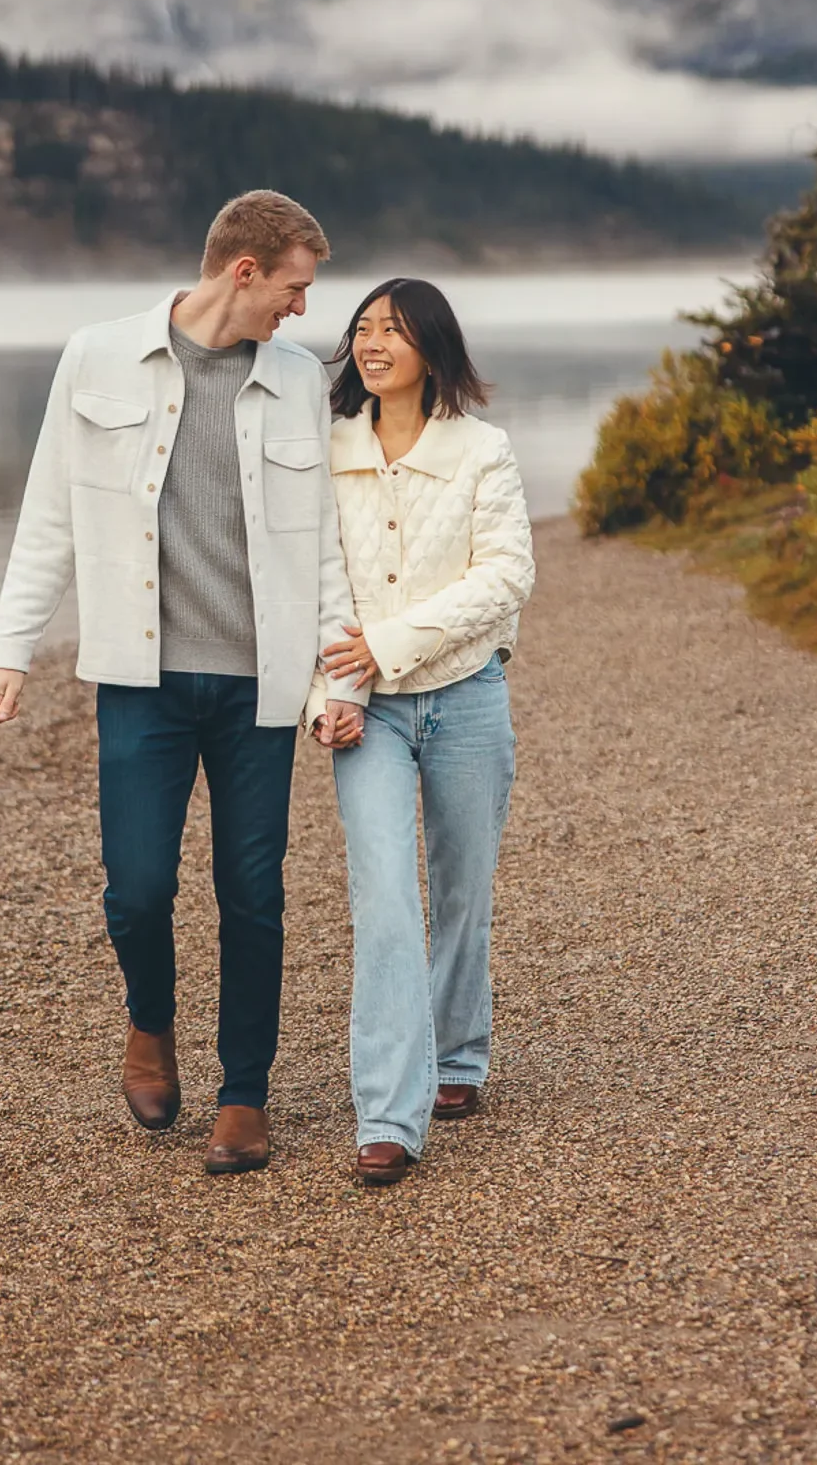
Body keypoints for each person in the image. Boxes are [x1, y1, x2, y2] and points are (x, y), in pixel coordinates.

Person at [0, 191, 366, 1177]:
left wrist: (336, 675)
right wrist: (9, 645)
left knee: (252, 894)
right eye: (293, 286)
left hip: (258, 687)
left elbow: (324, 545)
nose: (300, 308)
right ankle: (148, 1020)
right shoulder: (96, 356)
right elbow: (48, 513)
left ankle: (244, 1093)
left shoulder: (296, 383)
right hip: (139, 679)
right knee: (137, 889)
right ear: (242, 270)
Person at [308, 278, 535, 1186]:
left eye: (393, 331)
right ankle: (390, 1117)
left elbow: (506, 574)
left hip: (469, 695)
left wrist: (389, 643)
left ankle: (458, 1058)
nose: (372, 343)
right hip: (367, 708)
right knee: (386, 904)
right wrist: (336, 686)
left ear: (431, 348)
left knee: (461, 889)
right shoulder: (324, 451)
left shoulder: (483, 450)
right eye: (362, 328)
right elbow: (316, 581)